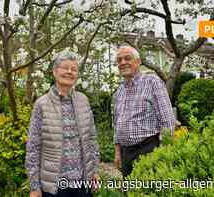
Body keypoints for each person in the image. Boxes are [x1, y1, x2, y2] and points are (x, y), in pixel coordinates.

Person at [25, 51, 100, 197]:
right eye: (65, 67)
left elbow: (92, 140)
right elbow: (33, 146)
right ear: (54, 71)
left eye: (73, 69)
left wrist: (95, 171)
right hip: (54, 186)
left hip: (82, 183)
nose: (69, 72)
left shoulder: (83, 101)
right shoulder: (42, 104)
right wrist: (34, 186)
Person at [113, 45, 176, 178]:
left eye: (127, 58)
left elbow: (168, 120)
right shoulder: (119, 91)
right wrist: (118, 153)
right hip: (126, 153)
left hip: (148, 150)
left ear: (138, 62)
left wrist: (163, 153)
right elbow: (116, 125)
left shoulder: (152, 82)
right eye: (119, 60)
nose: (123, 62)